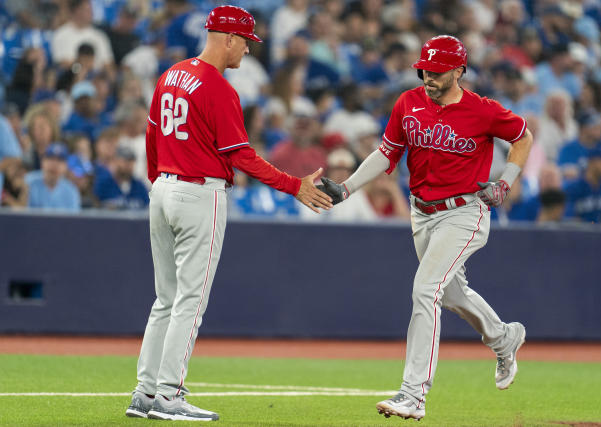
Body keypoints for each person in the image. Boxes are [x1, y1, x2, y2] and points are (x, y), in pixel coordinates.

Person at [125, 6, 332, 421]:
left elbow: (152, 134)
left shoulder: (171, 74)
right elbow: (241, 156)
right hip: (199, 193)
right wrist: (294, 185)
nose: (248, 52)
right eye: (246, 43)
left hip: (163, 188)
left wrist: (157, 183)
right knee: (189, 302)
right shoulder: (218, 88)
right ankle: (168, 395)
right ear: (229, 39)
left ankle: (145, 393)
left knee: (165, 299)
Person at [316, 35, 533, 420]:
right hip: (422, 212)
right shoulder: (408, 102)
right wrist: (347, 187)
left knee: (425, 290)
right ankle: (504, 337)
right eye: (424, 69)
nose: (428, 76)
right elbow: (387, 153)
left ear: (458, 70)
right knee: (450, 294)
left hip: (465, 210)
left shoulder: (482, 110)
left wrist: (505, 181)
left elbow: (522, 136)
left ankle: (413, 395)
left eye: (436, 70)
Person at [25, 143, 81, 211]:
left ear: (66, 166)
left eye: (60, 160)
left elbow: (73, 220)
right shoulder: (28, 181)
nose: (54, 164)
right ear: (42, 161)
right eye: (50, 158)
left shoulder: (71, 191)